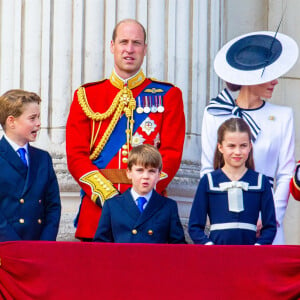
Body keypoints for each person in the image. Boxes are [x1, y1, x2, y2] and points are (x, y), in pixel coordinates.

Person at [66, 19, 185, 240]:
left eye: (136, 43)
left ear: (145, 49)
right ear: (112, 46)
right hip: (98, 212)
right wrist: (110, 198)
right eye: (124, 42)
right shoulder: (86, 96)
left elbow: (171, 154)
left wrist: (140, 195)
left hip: (148, 213)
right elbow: (76, 157)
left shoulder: (169, 95)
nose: (129, 49)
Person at [200, 31, 298, 244]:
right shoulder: (215, 113)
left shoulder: (283, 116)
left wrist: (270, 217)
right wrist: (218, 214)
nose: (276, 82)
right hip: (225, 221)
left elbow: (286, 173)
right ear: (251, 77)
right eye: (270, 75)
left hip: (266, 220)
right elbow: (207, 169)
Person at [189, 118, 276, 245]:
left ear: (250, 147)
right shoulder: (208, 181)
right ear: (220, 147)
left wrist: (258, 247)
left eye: (243, 146)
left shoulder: (261, 181)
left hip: (250, 255)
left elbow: (270, 226)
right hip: (217, 256)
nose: (237, 152)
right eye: (231, 146)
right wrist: (208, 246)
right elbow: (195, 226)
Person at [0, 89, 61, 241]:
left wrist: (44, 244)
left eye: (38, 117)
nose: (39, 124)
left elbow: (53, 206)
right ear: (11, 121)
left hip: (37, 247)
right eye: (32, 118)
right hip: (6, 247)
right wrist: (15, 246)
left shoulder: (43, 158)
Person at [93, 144, 186, 243]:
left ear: (159, 175)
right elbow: (101, 246)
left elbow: (178, 247)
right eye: (140, 170)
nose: (145, 176)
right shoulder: (112, 205)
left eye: (151, 171)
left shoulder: (168, 207)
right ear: (129, 173)